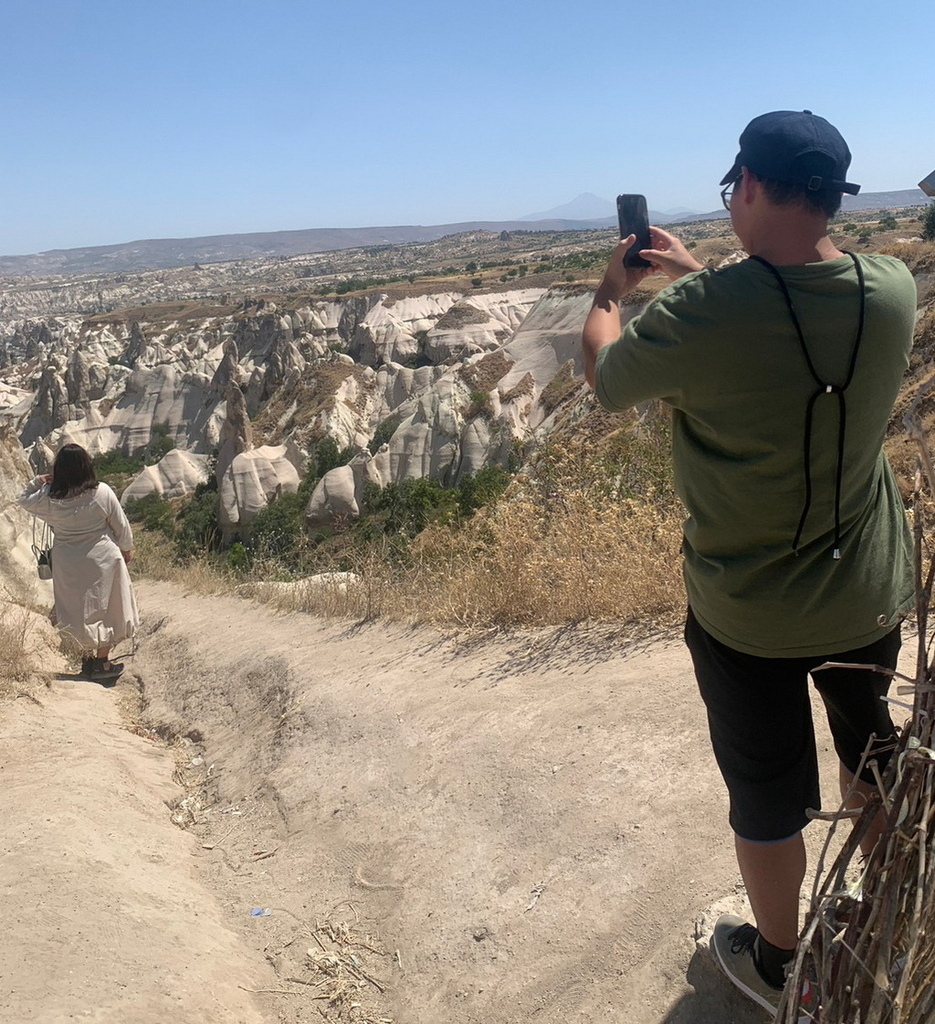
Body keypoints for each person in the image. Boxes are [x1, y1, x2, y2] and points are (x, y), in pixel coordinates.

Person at [582, 110, 916, 1018]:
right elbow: (801, 287)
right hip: (866, 593)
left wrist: (609, 294)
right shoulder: (890, 289)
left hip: (748, 614)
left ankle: (777, 967)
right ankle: (889, 914)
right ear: (828, 197)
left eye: (736, 186)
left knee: (766, 799)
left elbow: (608, 383)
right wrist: (712, 267)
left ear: (752, 187)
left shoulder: (701, 316)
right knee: (872, 749)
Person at [18, 442, 139, 681]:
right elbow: (121, 525)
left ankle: (86, 661)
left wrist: (39, 480)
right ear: (86, 467)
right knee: (108, 608)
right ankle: (101, 663)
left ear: (59, 471)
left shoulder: (49, 499)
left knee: (76, 608)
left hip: (67, 561)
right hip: (103, 557)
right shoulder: (102, 492)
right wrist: (126, 549)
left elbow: (23, 499)